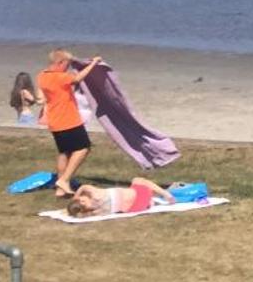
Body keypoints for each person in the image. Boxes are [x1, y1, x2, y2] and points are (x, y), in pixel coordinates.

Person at [39, 50, 104, 197]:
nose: (68, 67)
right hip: (68, 120)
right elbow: (78, 78)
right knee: (84, 148)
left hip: (54, 121)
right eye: (67, 64)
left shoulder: (42, 75)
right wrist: (94, 63)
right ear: (60, 63)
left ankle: (60, 190)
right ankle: (64, 180)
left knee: (64, 153)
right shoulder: (61, 77)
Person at [66, 176, 177, 219]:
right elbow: (84, 186)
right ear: (82, 201)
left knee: (130, 194)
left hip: (136, 208)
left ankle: (149, 202)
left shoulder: (96, 212)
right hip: (141, 196)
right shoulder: (96, 194)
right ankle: (166, 194)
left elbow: (82, 213)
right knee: (137, 180)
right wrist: (76, 196)